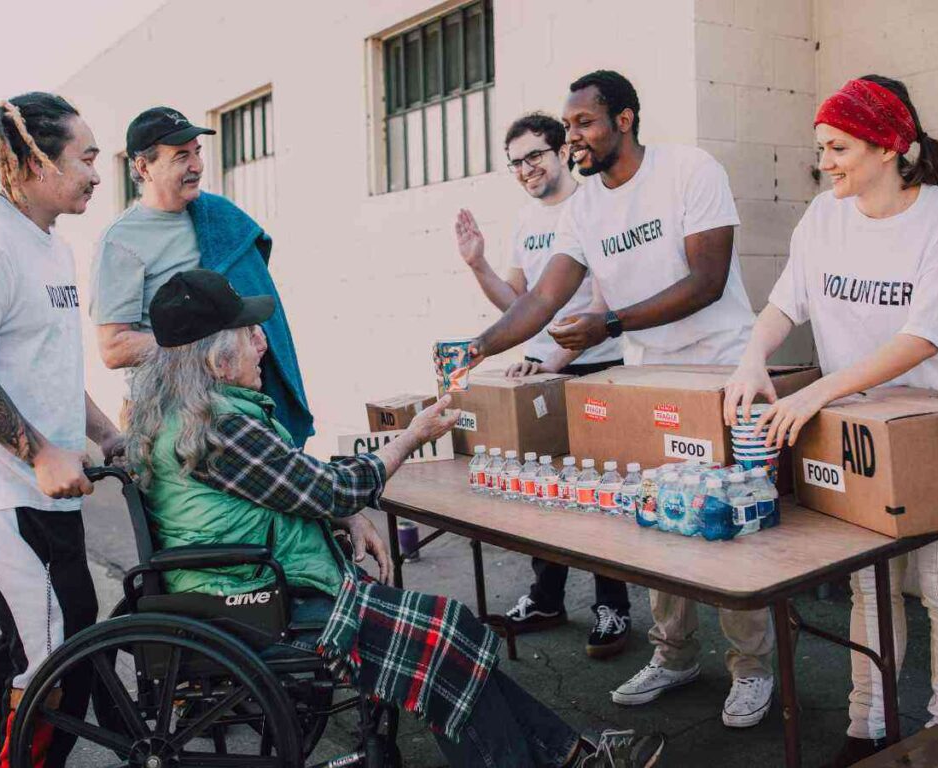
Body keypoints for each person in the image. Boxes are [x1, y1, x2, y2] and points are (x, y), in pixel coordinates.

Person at [125, 268, 667, 768]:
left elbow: (291, 489)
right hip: (258, 604)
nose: (263, 342)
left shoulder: (187, 414)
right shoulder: (219, 428)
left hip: (251, 587)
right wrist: (408, 439)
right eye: (249, 335)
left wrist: (344, 515)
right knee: (444, 643)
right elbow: (328, 488)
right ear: (217, 360)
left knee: (451, 635)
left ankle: (571, 756)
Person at [442, 70, 775, 728]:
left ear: (624, 120)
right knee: (658, 518)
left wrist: (613, 324)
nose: (573, 139)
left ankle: (754, 668)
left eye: (584, 124)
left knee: (729, 527)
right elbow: (542, 300)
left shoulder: (689, 170)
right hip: (647, 375)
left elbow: (707, 280)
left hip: (718, 366)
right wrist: (476, 346)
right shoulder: (584, 207)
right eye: (568, 128)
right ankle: (673, 654)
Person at [723, 75, 938, 768]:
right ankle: (869, 725)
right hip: (856, 425)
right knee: (869, 582)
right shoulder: (824, 216)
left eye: (840, 146)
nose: (826, 160)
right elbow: (786, 303)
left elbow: (922, 338)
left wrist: (817, 392)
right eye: (821, 146)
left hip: (935, 423)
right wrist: (751, 358)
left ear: (890, 147)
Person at [0, 93, 123, 768]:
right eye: (86, 157)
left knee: (49, 639)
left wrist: (106, 433)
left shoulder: (47, 244)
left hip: (45, 488)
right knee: (48, 652)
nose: (98, 173)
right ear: (31, 160)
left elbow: (47, 366)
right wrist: (41, 453)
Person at [454, 112, 630, 657]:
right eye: (515, 162)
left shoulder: (593, 209)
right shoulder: (526, 222)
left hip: (595, 368)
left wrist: (551, 358)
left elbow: (604, 303)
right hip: (542, 372)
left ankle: (613, 606)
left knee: (600, 494)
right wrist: (478, 264)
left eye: (534, 155)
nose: (526, 169)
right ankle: (547, 597)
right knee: (541, 490)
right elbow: (520, 305)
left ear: (561, 152)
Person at [89, 106, 313, 447]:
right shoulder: (121, 241)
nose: (196, 166)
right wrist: (210, 342)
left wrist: (246, 335)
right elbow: (113, 349)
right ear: (143, 167)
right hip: (168, 416)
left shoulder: (219, 216)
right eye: (181, 156)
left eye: (197, 152)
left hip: (239, 408)